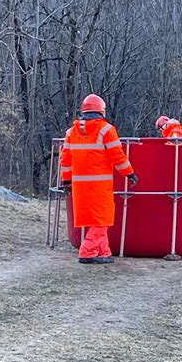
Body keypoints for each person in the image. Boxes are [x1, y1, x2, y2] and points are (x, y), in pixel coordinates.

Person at [60, 94, 138, 264]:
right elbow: (117, 156)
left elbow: (65, 160)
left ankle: (103, 252)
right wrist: (129, 173)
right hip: (99, 185)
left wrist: (66, 181)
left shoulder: (71, 132)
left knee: (95, 219)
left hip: (80, 186)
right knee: (102, 218)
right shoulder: (106, 130)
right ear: (101, 111)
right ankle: (87, 251)